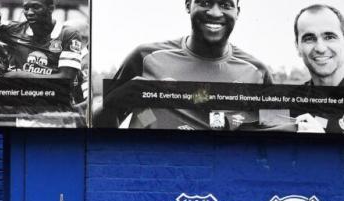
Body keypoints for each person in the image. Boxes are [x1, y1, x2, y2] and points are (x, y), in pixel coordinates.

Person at [97, 0, 273, 130]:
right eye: (205, 3)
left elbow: (274, 142)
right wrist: (111, 102)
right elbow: (96, 124)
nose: (214, 12)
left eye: (226, 5)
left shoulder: (257, 72)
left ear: (238, 12)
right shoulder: (145, 57)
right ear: (188, 4)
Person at [292, 4, 344, 133]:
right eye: (309, 39)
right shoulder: (290, 103)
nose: (320, 48)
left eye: (329, 37)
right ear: (297, 47)